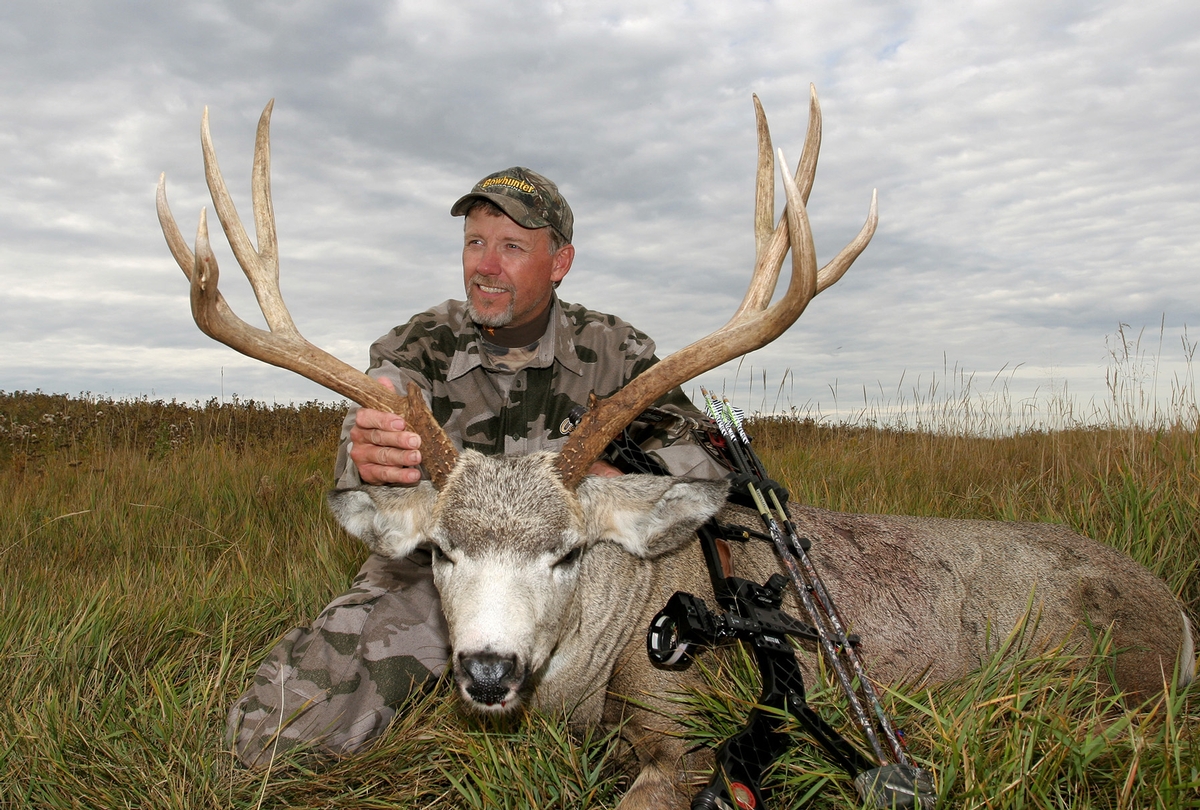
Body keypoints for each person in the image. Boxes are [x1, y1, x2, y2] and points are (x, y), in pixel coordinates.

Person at [225, 167, 724, 767]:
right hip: (440, 567)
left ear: (559, 262)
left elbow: (703, 464)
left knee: (678, 714)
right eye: (474, 242)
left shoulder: (616, 351)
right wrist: (368, 449)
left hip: (577, 570)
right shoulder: (420, 344)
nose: (486, 265)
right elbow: (374, 424)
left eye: (512, 246)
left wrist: (608, 486)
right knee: (274, 743)